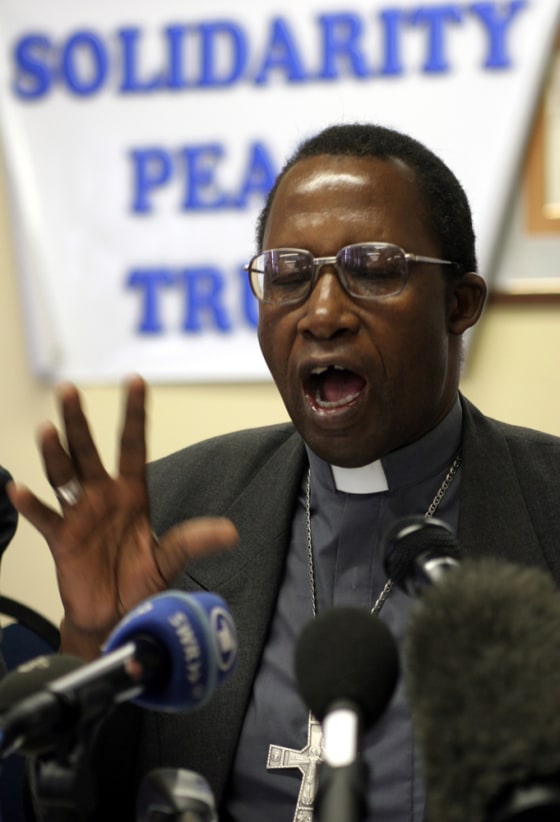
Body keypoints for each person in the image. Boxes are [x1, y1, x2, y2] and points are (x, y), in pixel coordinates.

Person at [8, 123, 560, 822]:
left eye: (372, 268)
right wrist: (95, 642)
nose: (322, 314)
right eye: (289, 276)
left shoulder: (546, 506)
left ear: (460, 304)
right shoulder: (172, 512)